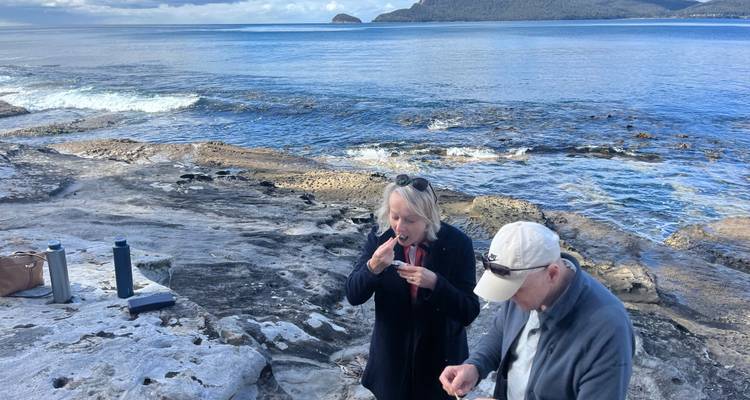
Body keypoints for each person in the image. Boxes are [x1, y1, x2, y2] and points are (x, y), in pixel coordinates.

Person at [440, 221, 634, 400]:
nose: (508, 297)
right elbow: (500, 333)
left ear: (552, 273)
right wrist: (475, 366)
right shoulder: (525, 290)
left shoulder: (609, 329)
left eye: (515, 290)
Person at [345, 174, 480, 399]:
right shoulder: (381, 238)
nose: (399, 227)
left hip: (440, 366)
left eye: (409, 220)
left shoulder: (458, 244)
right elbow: (353, 294)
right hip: (391, 364)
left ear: (428, 218)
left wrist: (435, 284)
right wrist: (373, 267)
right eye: (394, 216)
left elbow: (468, 311)